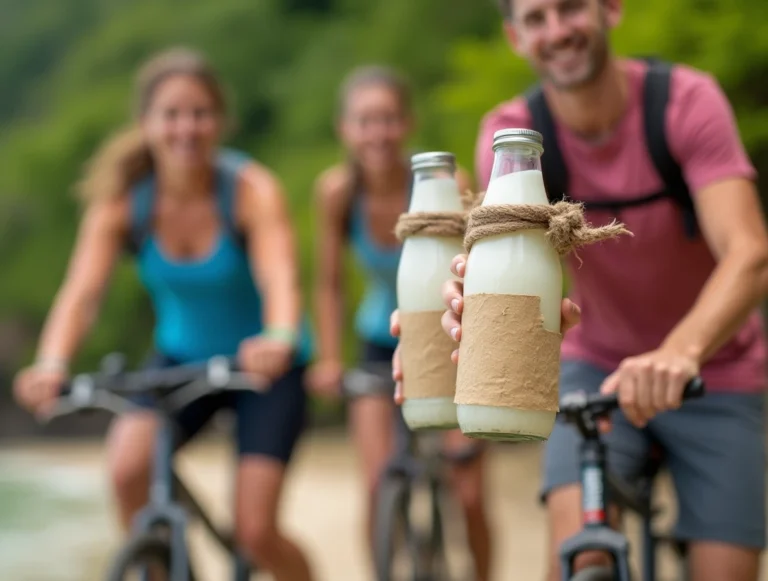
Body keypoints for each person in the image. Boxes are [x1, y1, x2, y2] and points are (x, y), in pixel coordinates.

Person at [391, 0, 768, 580]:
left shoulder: (686, 103)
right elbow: (499, 271)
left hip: (714, 368)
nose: (557, 31)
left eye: (570, 9)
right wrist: (455, 326)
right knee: (580, 559)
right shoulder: (510, 137)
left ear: (609, 9)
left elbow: (750, 252)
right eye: (536, 19)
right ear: (515, 36)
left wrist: (679, 351)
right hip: (591, 366)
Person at [13, 47, 316, 581]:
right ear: (146, 124)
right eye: (171, 114)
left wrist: (280, 334)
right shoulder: (124, 201)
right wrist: (50, 363)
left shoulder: (249, 190)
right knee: (128, 467)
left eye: (200, 113)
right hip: (180, 359)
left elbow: (279, 275)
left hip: (266, 364)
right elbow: (82, 294)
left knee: (255, 530)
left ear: (220, 120)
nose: (186, 128)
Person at [307, 65, 493, 580]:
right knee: (375, 483)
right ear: (345, 129)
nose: (378, 133)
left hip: (450, 331)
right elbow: (329, 282)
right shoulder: (337, 193)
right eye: (365, 121)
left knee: (470, 492)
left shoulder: (445, 183)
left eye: (388, 119)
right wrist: (327, 357)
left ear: (408, 123)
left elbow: (475, 265)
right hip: (378, 340)